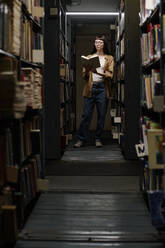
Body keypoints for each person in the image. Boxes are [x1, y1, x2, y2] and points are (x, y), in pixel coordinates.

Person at [74, 34, 114, 148]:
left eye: (101, 42)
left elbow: (110, 75)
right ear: (94, 44)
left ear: (104, 44)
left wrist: (98, 72)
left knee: (101, 115)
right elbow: (84, 76)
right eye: (96, 42)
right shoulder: (89, 57)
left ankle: (98, 138)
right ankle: (81, 139)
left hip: (102, 88)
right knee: (86, 115)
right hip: (90, 88)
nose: (98, 44)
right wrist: (87, 71)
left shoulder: (109, 58)